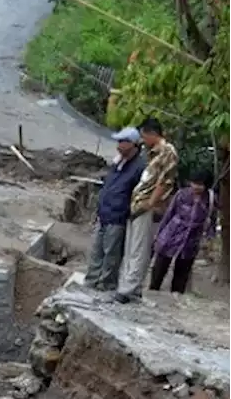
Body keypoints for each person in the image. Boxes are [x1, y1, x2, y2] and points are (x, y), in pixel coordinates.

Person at [116, 117, 179, 302]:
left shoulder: (168, 152)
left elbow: (165, 181)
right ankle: (127, 285)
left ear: (152, 133)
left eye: (144, 136)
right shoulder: (151, 153)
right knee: (131, 248)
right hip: (137, 204)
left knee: (139, 249)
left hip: (146, 205)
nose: (142, 140)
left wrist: (151, 203)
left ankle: (129, 288)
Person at [84, 128, 146, 291]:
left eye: (122, 142)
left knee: (111, 255)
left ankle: (106, 285)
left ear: (133, 144)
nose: (119, 146)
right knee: (97, 252)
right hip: (104, 214)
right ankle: (91, 282)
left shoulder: (139, 167)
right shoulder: (118, 162)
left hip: (118, 216)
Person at [150, 170, 216, 294]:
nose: (196, 187)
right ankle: (153, 289)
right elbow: (169, 214)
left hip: (192, 238)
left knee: (182, 270)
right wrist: (158, 234)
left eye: (200, 184)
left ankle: (176, 294)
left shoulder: (210, 199)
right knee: (160, 266)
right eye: (194, 183)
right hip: (172, 234)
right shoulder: (181, 194)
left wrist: (209, 238)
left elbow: (212, 220)